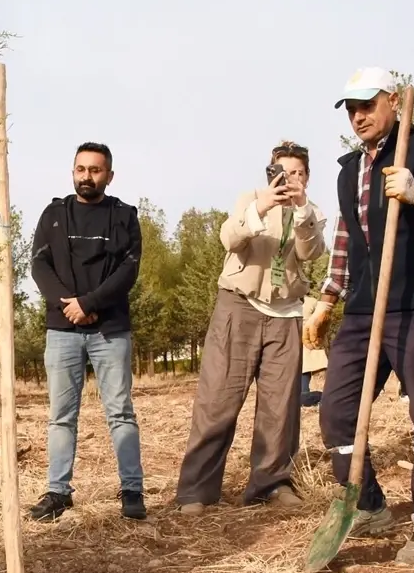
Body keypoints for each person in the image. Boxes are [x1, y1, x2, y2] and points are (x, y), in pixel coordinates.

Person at [303, 67, 414, 565]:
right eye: (351, 109)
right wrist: (327, 300)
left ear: (393, 101)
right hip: (363, 309)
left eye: (367, 105)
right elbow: (346, 237)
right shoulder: (349, 169)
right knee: (337, 412)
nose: (358, 116)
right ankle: (368, 505)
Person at [175, 142, 327, 515]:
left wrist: (301, 210)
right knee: (218, 400)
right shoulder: (250, 200)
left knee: (281, 407)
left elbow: (310, 253)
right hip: (239, 306)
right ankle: (196, 490)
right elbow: (229, 239)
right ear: (270, 174)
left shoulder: (311, 212)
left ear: (307, 178)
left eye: (298, 173)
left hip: (286, 313)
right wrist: (262, 206)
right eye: (283, 172)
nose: (290, 179)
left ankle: (271, 484)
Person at [28, 142, 146, 522]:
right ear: (72, 172)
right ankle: (58, 493)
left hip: (110, 330)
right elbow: (39, 265)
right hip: (62, 330)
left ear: (109, 175)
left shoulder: (124, 216)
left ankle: (132, 491)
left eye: (95, 170)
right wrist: (70, 306)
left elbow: (128, 269)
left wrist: (90, 303)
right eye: (81, 169)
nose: (87, 176)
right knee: (61, 415)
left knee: (120, 412)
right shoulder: (54, 215)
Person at [300, 295, 328, 407]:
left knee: (304, 367)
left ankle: (305, 392)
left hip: (307, 336)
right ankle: (304, 392)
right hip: (307, 336)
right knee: (305, 367)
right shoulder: (312, 301)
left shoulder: (310, 301)